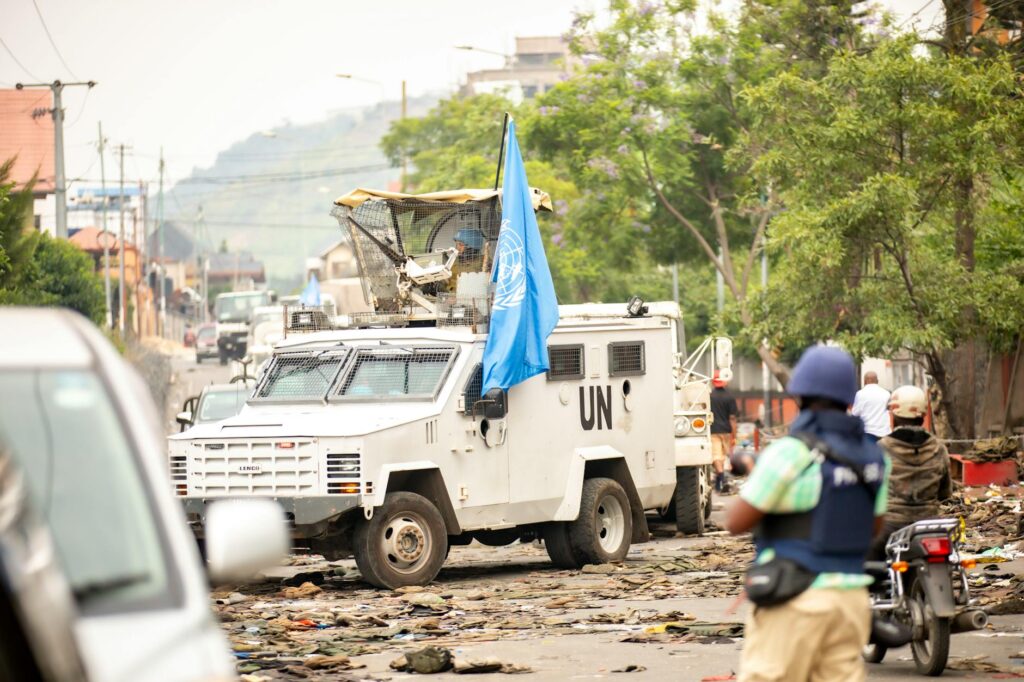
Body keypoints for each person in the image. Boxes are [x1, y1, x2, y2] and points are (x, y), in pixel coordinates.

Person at [726, 345, 890, 682]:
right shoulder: (874, 459)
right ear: (849, 398)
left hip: (795, 598)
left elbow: (736, 521)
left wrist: (757, 471)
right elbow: (872, 527)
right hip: (851, 602)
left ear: (799, 394)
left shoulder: (790, 453)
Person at [869, 385, 951, 560]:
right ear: (923, 416)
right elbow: (945, 493)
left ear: (893, 416)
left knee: (867, 566)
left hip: (890, 526)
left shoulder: (880, 449)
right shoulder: (939, 448)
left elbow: (872, 491)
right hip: (929, 525)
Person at [710, 371, 739, 492]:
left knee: (716, 455)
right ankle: (720, 479)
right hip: (726, 431)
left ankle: (720, 478)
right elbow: (732, 418)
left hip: (713, 430)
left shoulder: (709, 396)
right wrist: (734, 434)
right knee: (722, 455)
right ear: (724, 381)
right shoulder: (730, 397)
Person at [851, 371, 891, 442]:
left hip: (867, 433)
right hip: (884, 433)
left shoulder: (860, 394)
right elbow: (890, 413)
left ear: (864, 381)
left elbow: (855, 413)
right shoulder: (886, 394)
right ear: (877, 381)